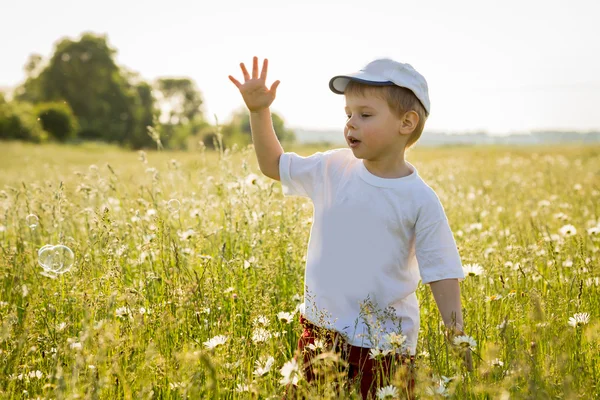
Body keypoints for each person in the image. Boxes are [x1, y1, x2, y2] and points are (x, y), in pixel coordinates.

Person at [229, 57, 472, 399]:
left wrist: (455, 333)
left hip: (386, 345)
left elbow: (442, 271)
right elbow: (273, 164)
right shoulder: (332, 168)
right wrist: (258, 112)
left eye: (365, 114)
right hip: (320, 333)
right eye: (348, 114)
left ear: (406, 122)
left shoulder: (420, 199)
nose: (350, 124)